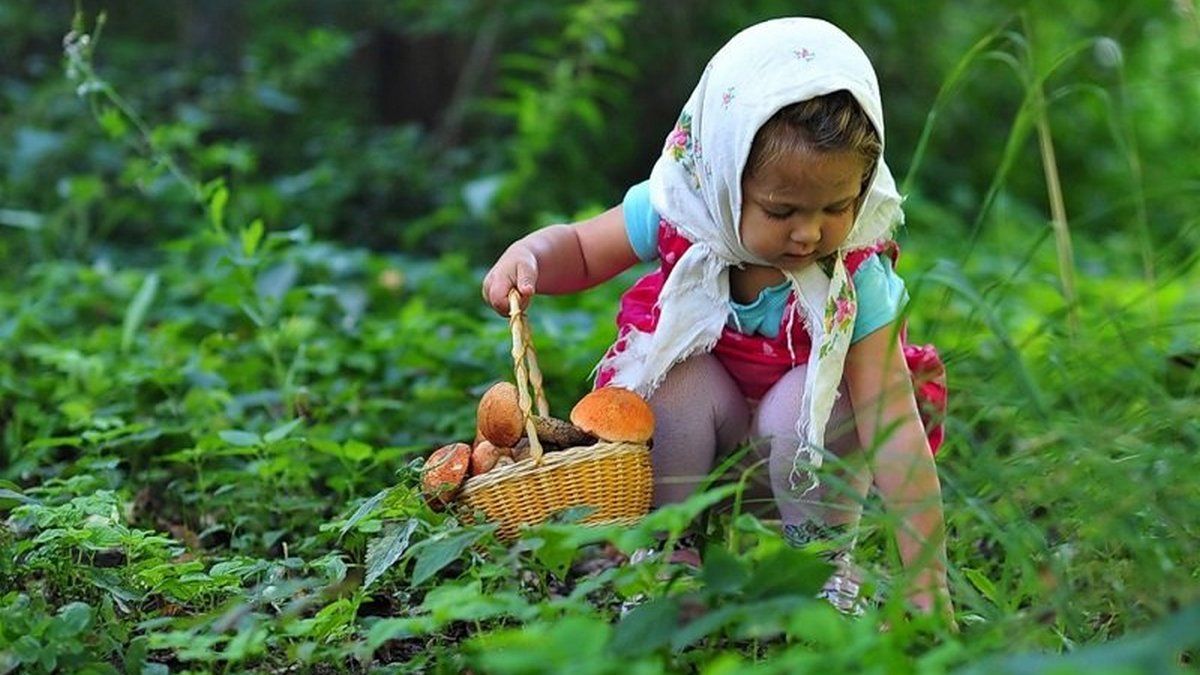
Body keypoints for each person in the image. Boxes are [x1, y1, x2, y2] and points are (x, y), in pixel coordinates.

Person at [481, 17, 952, 621]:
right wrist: (528, 257)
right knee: (673, 376)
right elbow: (578, 247)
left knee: (809, 397)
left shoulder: (855, 276)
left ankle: (819, 568)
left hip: (804, 455)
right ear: (725, 175)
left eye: (838, 206)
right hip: (703, 447)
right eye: (781, 210)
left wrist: (925, 574)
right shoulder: (686, 205)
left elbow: (893, 425)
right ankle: (667, 554)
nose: (810, 232)